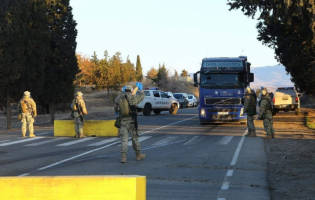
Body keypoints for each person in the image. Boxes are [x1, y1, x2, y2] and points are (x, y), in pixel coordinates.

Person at [114, 83, 145, 163]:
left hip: (123, 121)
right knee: (135, 138)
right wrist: (141, 90)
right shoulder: (133, 97)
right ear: (131, 91)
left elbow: (115, 108)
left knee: (124, 139)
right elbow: (141, 97)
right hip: (132, 121)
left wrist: (117, 112)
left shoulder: (119, 98)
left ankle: (123, 157)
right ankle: (138, 155)